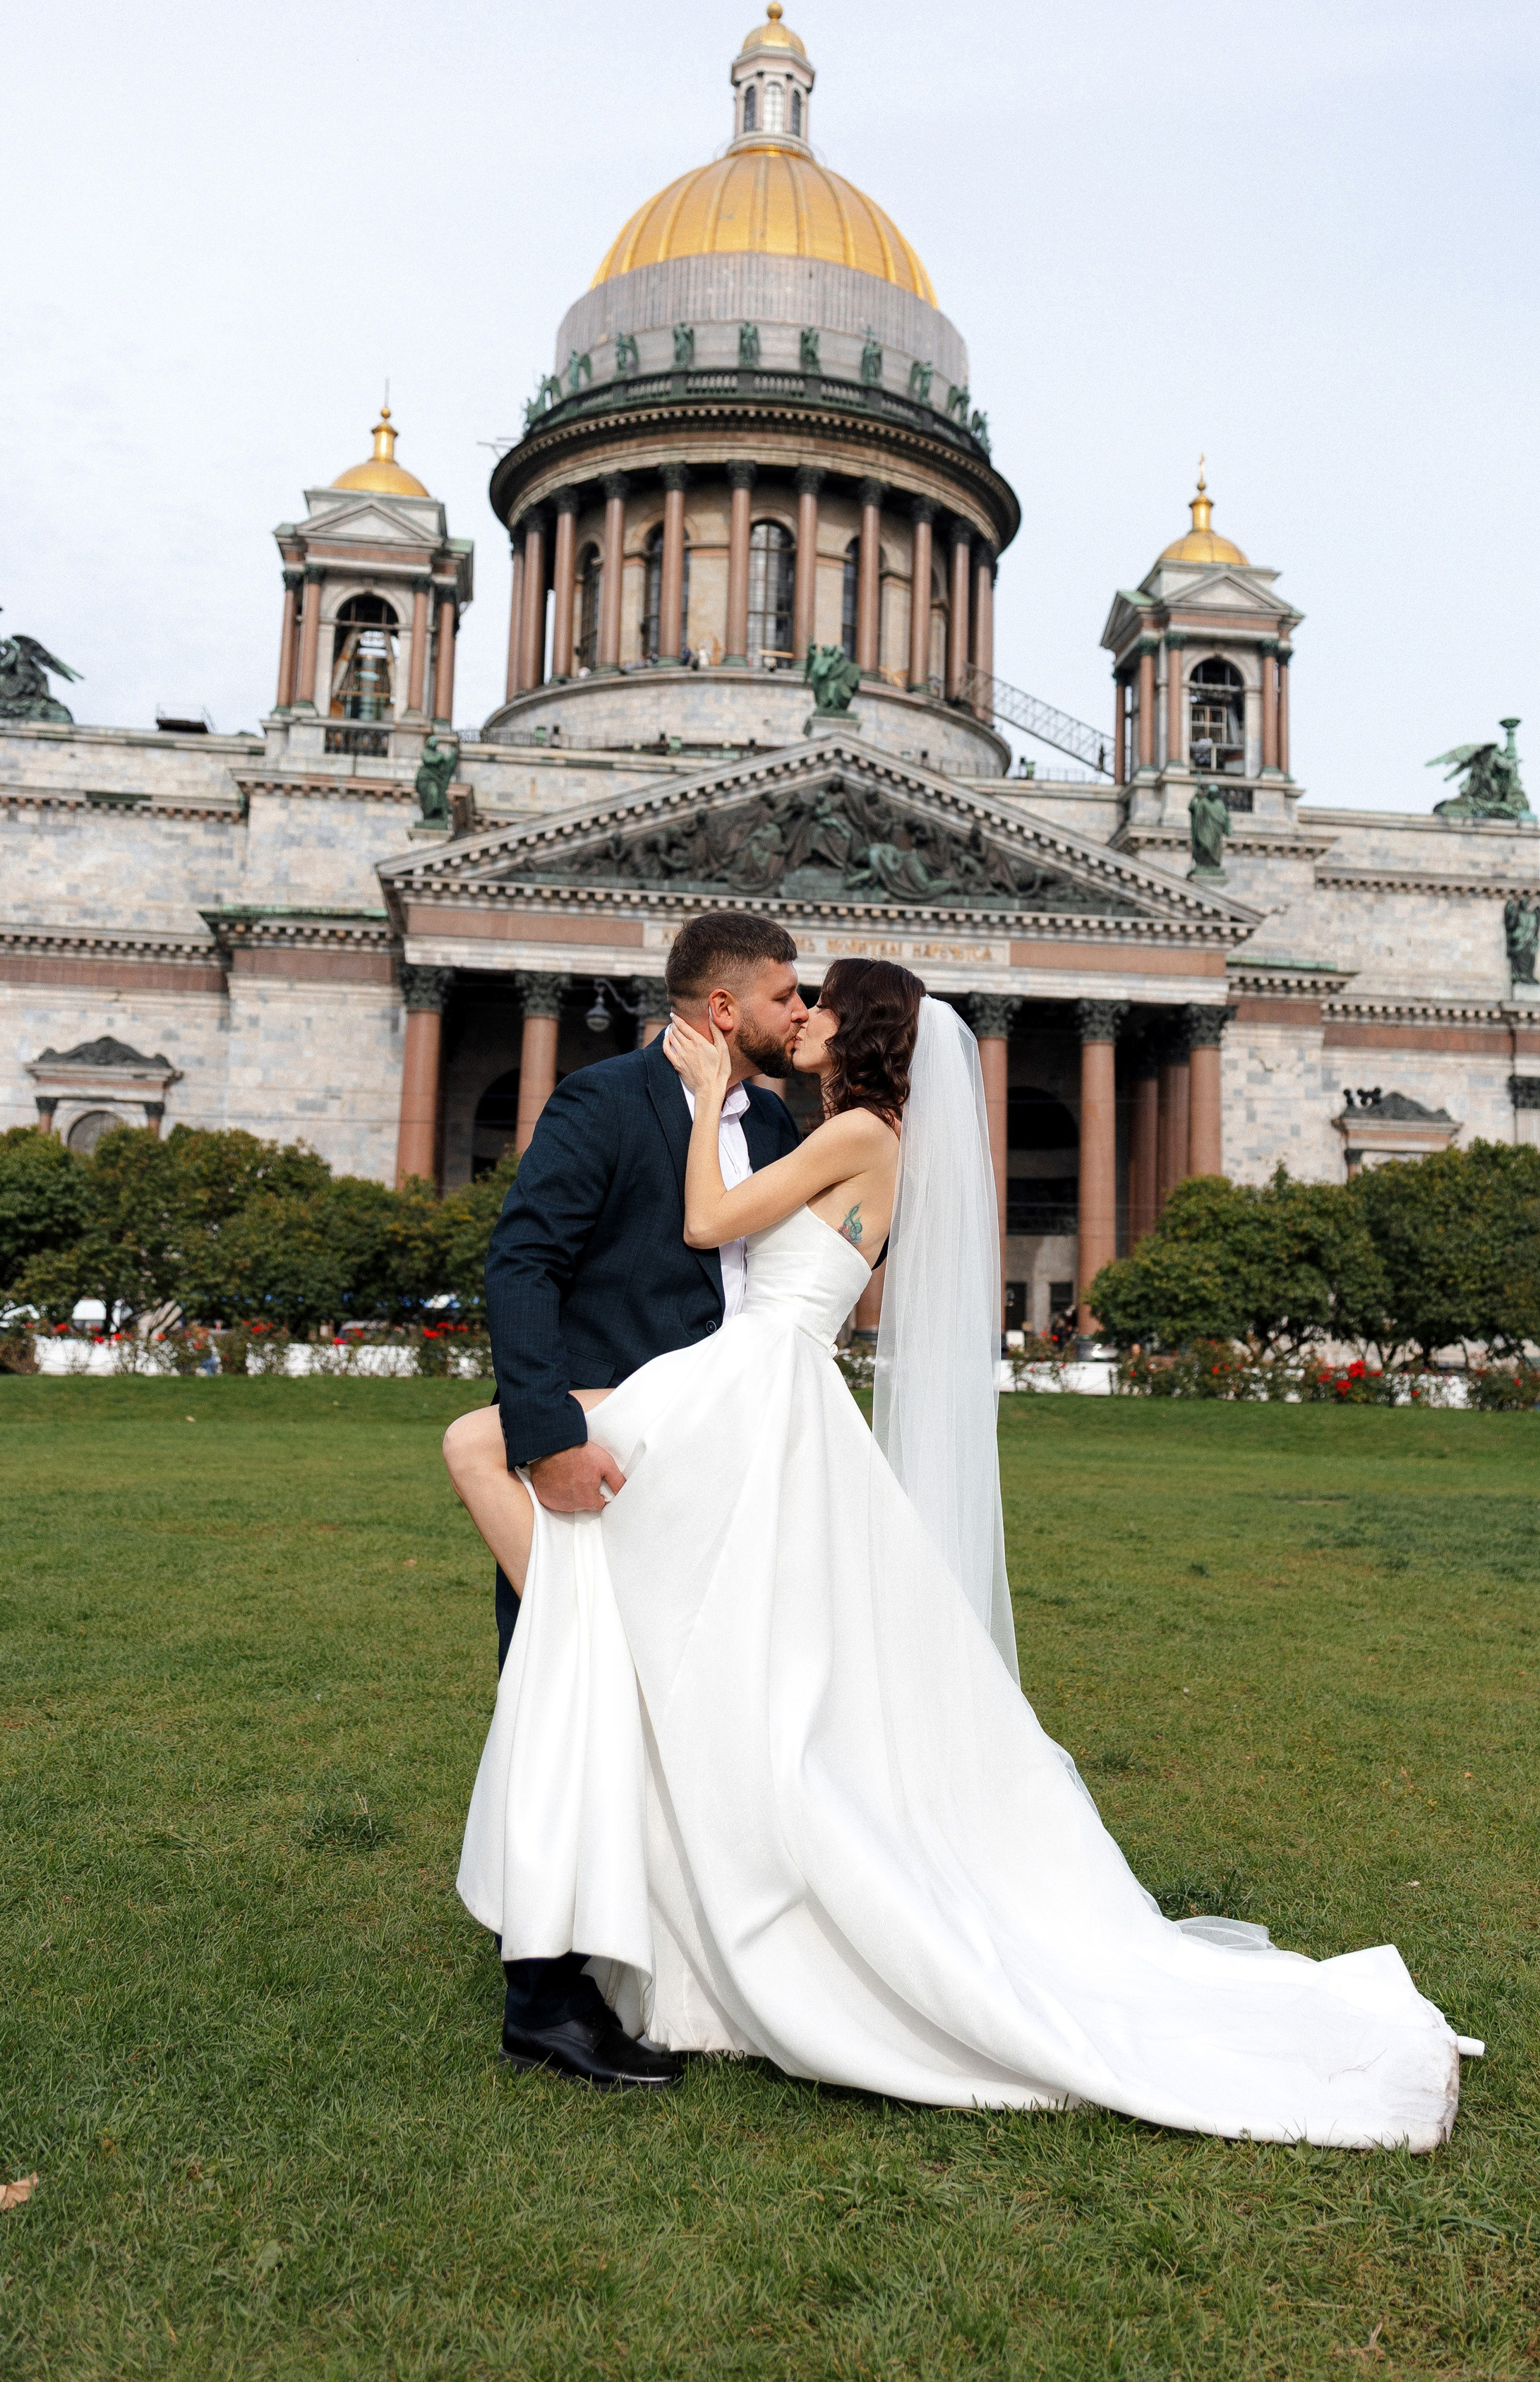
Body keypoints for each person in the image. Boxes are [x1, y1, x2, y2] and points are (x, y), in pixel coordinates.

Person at [447, 962, 1481, 2144]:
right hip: (749, 1392)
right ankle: (619, 1916)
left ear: (856, 1029)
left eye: (818, 1003)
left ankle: (605, 1881)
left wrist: (703, 1101)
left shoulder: (847, 1134)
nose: (803, 1013)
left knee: (550, 1526)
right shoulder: (845, 1131)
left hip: (753, 1392)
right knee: (652, 1608)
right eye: (790, 995)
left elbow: (705, 1225)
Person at [473, 906, 807, 2085]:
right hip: (603, 1462)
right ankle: (544, 1999)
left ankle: (668, 1952)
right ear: (724, 1006)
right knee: (566, 1704)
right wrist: (548, 1436)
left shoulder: (776, 1119)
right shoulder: (604, 1102)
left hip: (722, 1463)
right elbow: (523, 1262)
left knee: (697, 1711)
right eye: (785, 996)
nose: (800, 1012)